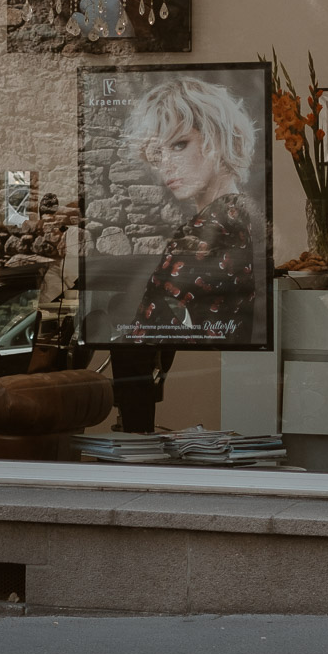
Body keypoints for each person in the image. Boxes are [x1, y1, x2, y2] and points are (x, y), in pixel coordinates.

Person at [111, 76, 261, 431]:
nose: (166, 166)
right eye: (157, 153)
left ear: (219, 139)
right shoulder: (242, 216)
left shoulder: (213, 229)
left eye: (179, 144)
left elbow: (142, 341)